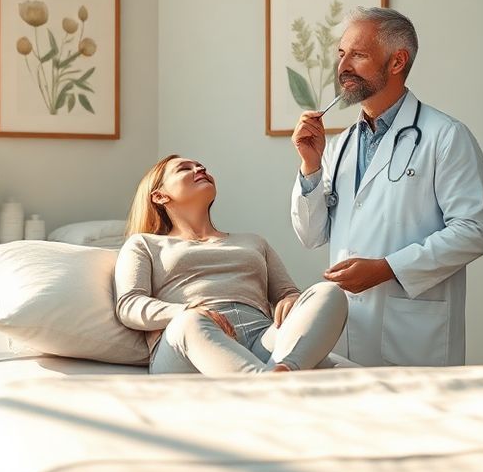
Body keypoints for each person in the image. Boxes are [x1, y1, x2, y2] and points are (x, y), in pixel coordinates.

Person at [291, 7, 483, 366]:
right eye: (341, 53)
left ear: (397, 61)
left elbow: (473, 231)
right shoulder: (337, 147)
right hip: (344, 330)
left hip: (413, 333)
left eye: (358, 54)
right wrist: (310, 165)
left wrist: (387, 268)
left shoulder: (445, 136)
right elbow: (311, 235)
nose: (343, 66)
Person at [116, 155, 347, 375]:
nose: (200, 169)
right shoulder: (145, 244)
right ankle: (267, 381)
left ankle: (282, 372)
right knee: (187, 323)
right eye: (185, 169)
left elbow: (288, 293)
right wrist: (187, 311)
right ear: (159, 196)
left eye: (201, 166)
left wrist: (289, 300)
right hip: (193, 344)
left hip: (262, 340)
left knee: (328, 291)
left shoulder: (253, 242)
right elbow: (129, 305)